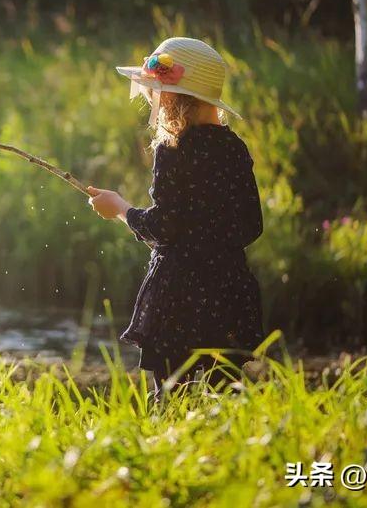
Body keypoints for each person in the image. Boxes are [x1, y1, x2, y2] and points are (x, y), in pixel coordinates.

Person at [87, 37, 264, 387]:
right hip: (229, 291)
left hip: (178, 295)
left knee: (169, 394)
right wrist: (212, 239)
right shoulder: (235, 148)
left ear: (171, 98)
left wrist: (120, 209)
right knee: (223, 395)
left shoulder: (174, 149)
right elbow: (252, 225)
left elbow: (164, 224)